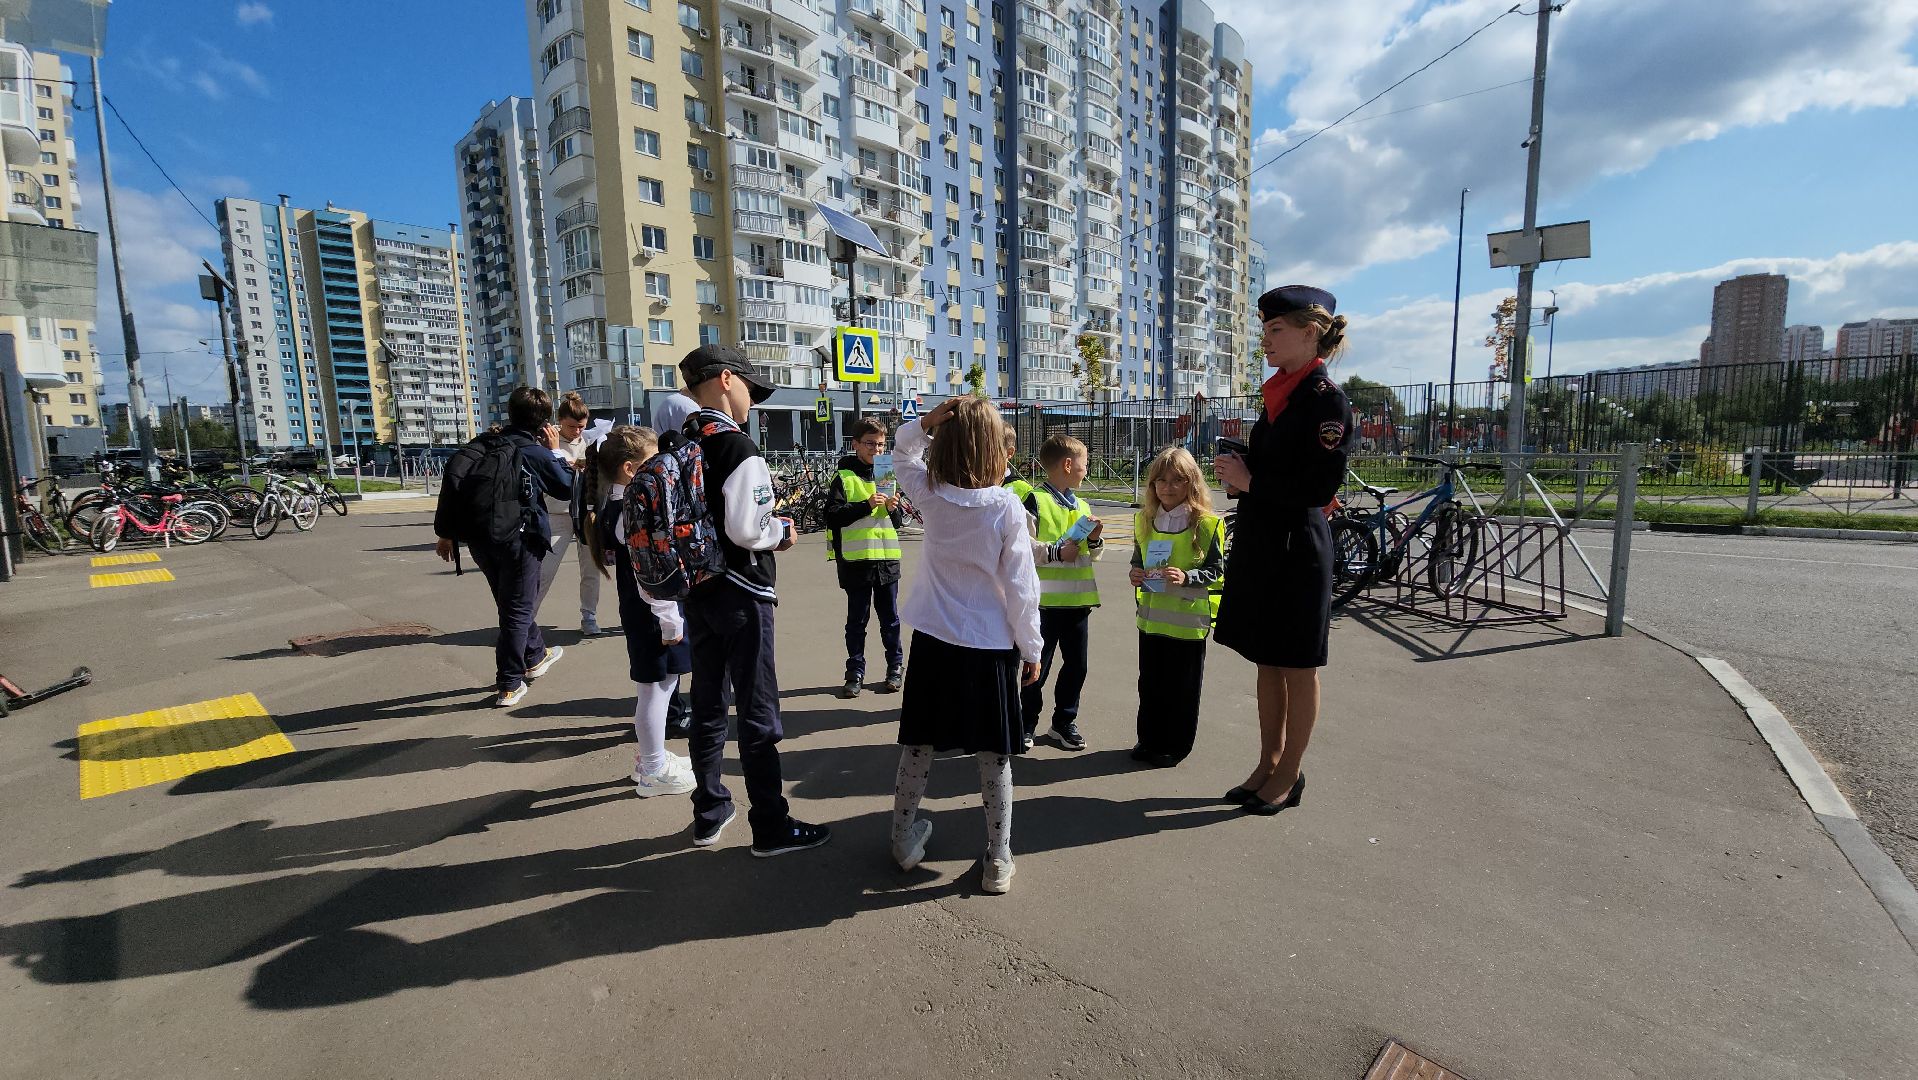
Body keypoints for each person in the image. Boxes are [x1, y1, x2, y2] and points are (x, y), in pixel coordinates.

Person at [676, 344, 830, 856]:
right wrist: (781, 529)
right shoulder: (737, 448)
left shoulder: (680, 442)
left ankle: (709, 811)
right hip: (744, 594)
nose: (752, 401)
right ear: (725, 380)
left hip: (696, 590)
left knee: (708, 705)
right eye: (749, 389)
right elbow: (747, 528)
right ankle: (770, 825)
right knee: (759, 712)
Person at [889, 396, 1041, 895]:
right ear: (995, 448)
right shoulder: (1005, 506)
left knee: (919, 742)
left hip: (934, 639)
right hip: (990, 644)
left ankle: (902, 836)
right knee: (994, 754)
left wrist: (923, 424)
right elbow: (1022, 586)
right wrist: (1032, 647)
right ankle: (998, 856)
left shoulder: (931, 493)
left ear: (947, 444)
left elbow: (902, 456)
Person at [1212, 285, 1355, 816]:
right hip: (1267, 543)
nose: (1265, 341)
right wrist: (1241, 468)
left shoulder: (1325, 401)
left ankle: (1291, 772)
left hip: (1298, 550)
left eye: (1275, 330)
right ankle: (1268, 761)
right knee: (1267, 661)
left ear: (1308, 332)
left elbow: (1318, 489)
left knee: (1298, 666)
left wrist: (1251, 481)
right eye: (1264, 330)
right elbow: (1278, 468)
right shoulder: (1281, 395)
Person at [433, 386, 575, 707]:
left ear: (510, 413)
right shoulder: (534, 450)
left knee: (511, 603)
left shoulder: (481, 444)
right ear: (544, 422)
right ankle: (510, 682)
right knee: (517, 608)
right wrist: (555, 451)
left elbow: (452, 485)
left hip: (480, 541)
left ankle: (536, 655)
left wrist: (447, 533)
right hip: (520, 539)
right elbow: (566, 487)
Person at [585, 425, 696, 796]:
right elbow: (652, 571)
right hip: (654, 612)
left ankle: (653, 757)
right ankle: (652, 769)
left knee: (658, 688)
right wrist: (670, 619)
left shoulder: (618, 504)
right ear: (631, 469)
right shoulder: (633, 510)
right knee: (656, 690)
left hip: (643, 610)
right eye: (653, 462)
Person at [1127, 446, 1224, 768]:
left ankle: (1175, 745)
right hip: (1152, 621)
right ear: (1152, 485)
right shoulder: (1144, 519)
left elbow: (1217, 571)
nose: (1168, 487)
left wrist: (1187, 576)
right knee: (1150, 685)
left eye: (1177, 480)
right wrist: (1135, 573)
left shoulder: (1207, 523)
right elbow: (1137, 559)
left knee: (1182, 690)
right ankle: (1148, 739)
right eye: (1161, 480)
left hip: (1186, 623)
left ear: (1192, 483)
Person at [1018, 434, 1103, 751]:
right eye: (1084, 464)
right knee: (1035, 668)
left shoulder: (1082, 504)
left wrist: (1095, 539)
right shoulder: (1034, 500)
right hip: (1043, 606)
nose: (1086, 470)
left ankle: (1063, 722)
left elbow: (1089, 554)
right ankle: (1026, 723)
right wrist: (1054, 552)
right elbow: (1023, 546)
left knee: (1076, 667)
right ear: (1068, 464)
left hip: (1078, 603)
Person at [824, 417, 906, 698]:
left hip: (887, 560)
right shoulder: (844, 477)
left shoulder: (887, 475)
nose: (876, 449)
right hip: (857, 561)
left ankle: (895, 666)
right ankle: (855, 672)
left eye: (881, 444)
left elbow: (896, 523)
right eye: (870, 443)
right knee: (857, 622)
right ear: (856, 444)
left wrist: (894, 508)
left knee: (891, 620)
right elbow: (832, 516)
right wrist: (866, 505)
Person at [538, 391, 607, 636]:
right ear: (559, 420)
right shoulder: (547, 439)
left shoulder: (591, 440)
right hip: (557, 513)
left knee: (591, 569)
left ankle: (589, 617)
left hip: (586, 511)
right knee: (545, 569)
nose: (577, 431)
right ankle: (525, 617)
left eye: (581, 426)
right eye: (571, 426)